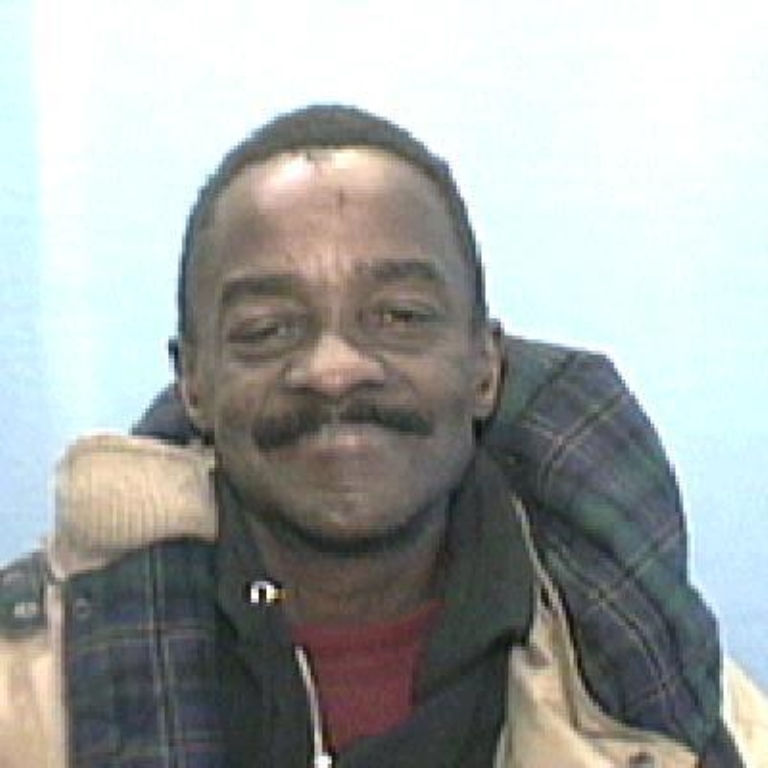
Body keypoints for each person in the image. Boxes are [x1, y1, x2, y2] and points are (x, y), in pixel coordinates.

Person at [1, 105, 765, 767]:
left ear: (485, 368)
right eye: (268, 329)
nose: (334, 369)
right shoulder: (27, 690)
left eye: (399, 316)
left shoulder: (665, 695)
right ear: (193, 382)